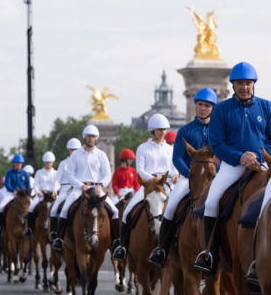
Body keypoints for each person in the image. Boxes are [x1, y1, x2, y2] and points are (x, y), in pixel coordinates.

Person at [194, 62, 271, 275]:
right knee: (210, 202)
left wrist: (256, 155)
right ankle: (209, 254)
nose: (244, 87)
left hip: (263, 163)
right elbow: (217, 143)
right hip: (232, 165)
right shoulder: (220, 110)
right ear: (233, 85)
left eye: (248, 83)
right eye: (240, 84)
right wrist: (240, 157)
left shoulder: (267, 106)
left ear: (253, 84)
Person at [147, 88, 218, 268]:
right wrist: (188, 173)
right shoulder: (185, 130)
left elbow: (222, 153)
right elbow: (177, 157)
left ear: (213, 108)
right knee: (170, 207)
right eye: (200, 105)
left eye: (207, 106)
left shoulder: (219, 130)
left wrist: (216, 171)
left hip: (214, 177)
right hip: (189, 177)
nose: (203, 108)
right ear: (196, 106)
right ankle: (161, 249)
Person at [113, 113, 179, 262]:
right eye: (159, 129)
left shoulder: (169, 149)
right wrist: (153, 179)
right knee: (127, 211)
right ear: (153, 130)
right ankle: (122, 247)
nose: (162, 132)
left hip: (165, 185)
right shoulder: (143, 148)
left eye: (164, 129)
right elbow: (140, 169)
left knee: (180, 208)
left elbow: (174, 169)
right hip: (148, 186)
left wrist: (175, 175)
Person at [52, 124, 119, 252]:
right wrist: (80, 185)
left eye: (93, 136)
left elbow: (107, 174)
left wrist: (100, 185)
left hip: (96, 188)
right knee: (65, 209)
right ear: (85, 137)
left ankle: (116, 243)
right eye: (89, 136)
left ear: (96, 138)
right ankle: (59, 240)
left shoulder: (101, 155)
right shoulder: (76, 154)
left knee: (115, 211)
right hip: (79, 188)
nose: (91, 138)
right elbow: (69, 174)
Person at [48, 138, 81, 242]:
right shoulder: (63, 163)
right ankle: (55, 233)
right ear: (69, 150)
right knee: (54, 210)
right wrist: (54, 190)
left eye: (76, 150)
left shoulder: (81, 163)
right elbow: (57, 180)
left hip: (77, 189)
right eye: (72, 150)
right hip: (64, 189)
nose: (74, 152)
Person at [0, 154, 30, 236]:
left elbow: (28, 185)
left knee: (32, 207)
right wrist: (14, 191)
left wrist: (27, 193)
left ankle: (30, 227)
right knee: (0, 207)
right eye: (16, 163)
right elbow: (7, 184)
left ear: (22, 164)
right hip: (11, 193)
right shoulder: (9, 172)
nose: (18, 164)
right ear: (14, 164)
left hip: (23, 195)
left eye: (19, 163)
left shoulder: (25, 174)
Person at [24, 151, 60, 236]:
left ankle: (59, 230)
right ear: (44, 162)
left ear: (52, 162)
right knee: (31, 208)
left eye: (50, 162)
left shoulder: (56, 173)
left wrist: (55, 191)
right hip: (42, 195)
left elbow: (58, 183)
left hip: (53, 196)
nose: (48, 164)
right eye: (47, 162)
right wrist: (38, 192)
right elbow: (36, 184)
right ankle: (29, 229)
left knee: (61, 208)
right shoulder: (39, 172)